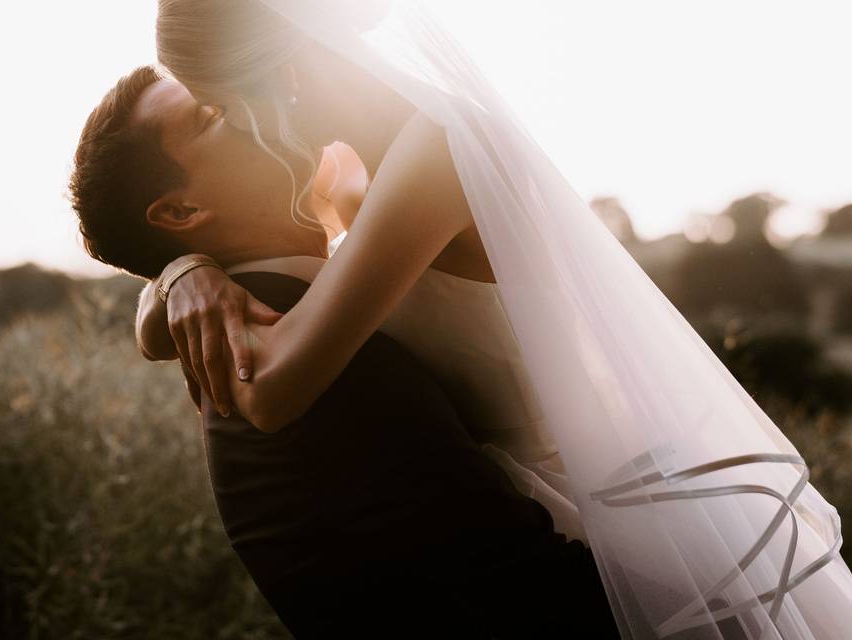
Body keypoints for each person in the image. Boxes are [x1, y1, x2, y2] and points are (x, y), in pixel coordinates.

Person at [130, 1, 852, 638]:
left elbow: (271, 389)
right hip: (535, 511)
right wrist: (180, 273)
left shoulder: (434, 148)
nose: (227, 120)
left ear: (270, 72)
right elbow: (157, 331)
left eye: (214, 104)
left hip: (608, 529)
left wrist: (191, 281)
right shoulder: (347, 170)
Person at [68, 66, 620, 638]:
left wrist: (178, 272)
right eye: (211, 114)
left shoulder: (365, 224)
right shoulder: (262, 338)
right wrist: (175, 276)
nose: (250, 100)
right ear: (182, 213)